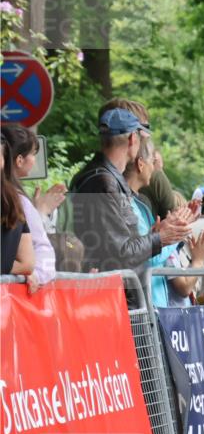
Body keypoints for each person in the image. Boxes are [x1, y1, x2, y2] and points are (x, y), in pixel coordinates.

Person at [70, 108, 190, 304]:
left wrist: (154, 235)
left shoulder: (101, 178)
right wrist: (161, 238)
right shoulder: (104, 182)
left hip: (115, 296)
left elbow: (116, 242)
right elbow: (121, 252)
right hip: (115, 300)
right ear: (132, 139)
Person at [122, 133, 186, 307]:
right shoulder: (127, 205)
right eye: (152, 162)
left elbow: (149, 244)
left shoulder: (139, 204)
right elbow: (146, 258)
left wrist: (169, 227)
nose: (154, 168)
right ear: (140, 164)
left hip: (153, 302)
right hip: (145, 304)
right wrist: (175, 235)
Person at [2, 125, 56, 286]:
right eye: (33, 154)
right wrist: (37, 275)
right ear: (19, 160)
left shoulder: (16, 200)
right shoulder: (16, 201)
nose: (36, 160)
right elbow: (38, 250)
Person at [1, 136, 35, 281]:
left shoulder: (13, 202)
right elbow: (26, 264)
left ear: (4, 162)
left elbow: (27, 264)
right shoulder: (14, 200)